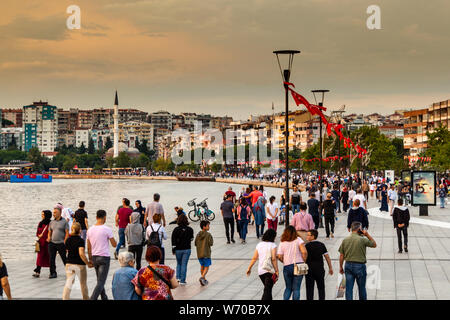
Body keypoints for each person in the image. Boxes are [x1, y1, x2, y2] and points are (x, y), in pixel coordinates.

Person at [339, 221, 377, 300]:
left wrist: (341, 267)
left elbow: (341, 255)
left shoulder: (345, 240)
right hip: (360, 266)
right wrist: (367, 234)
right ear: (359, 228)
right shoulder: (362, 239)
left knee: (349, 288)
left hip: (348, 265)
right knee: (361, 288)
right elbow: (374, 244)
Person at [87, 209, 117, 300]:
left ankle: (104, 297)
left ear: (96, 217)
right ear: (105, 218)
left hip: (95, 257)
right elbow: (114, 244)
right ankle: (93, 298)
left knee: (100, 280)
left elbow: (88, 247)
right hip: (104, 258)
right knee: (101, 282)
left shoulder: (90, 230)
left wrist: (90, 259)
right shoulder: (107, 229)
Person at [246, 229, 279, 300]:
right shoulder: (273, 245)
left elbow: (254, 258)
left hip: (261, 271)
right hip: (269, 270)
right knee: (267, 290)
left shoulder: (259, 245)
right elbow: (273, 259)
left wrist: (249, 268)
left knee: (268, 289)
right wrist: (277, 270)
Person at [277, 226, 308, 300]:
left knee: (288, 288)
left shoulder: (282, 242)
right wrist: (304, 261)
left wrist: (284, 261)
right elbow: (304, 252)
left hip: (287, 266)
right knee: (296, 288)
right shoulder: (298, 240)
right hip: (298, 264)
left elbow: (279, 256)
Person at [63, 222, 91, 300]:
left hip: (69, 263)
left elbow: (66, 250)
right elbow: (81, 253)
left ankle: (65, 298)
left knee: (69, 283)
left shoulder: (68, 239)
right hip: (79, 264)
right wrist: (88, 263)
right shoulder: (80, 240)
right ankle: (86, 298)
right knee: (83, 284)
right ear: (80, 230)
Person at [305, 229, 333, 300]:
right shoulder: (321, 245)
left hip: (309, 270)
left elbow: (303, 257)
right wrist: (330, 268)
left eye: (308, 235)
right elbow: (327, 257)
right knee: (321, 288)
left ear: (313, 236)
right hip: (319, 269)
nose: (306, 237)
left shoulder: (306, 246)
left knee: (309, 289)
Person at [171, 214, 194, 285]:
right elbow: (192, 238)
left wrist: (173, 249)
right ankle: (183, 281)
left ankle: (178, 278)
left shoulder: (176, 229)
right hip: (187, 249)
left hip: (178, 249)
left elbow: (173, 239)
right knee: (184, 264)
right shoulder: (190, 229)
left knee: (179, 263)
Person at [47, 206, 69, 279]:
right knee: (51, 259)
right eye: (53, 212)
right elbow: (50, 231)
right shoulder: (51, 222)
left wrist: (65, 242)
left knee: (64, 258)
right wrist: (49, 237)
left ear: (59, 213)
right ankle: (53, 273)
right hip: (52, 243)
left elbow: (67, 233)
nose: (53, 214)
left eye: (55, 212)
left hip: (61, 243)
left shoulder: (64, 222)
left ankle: (69, 272)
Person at [33, 210, 52, 278]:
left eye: (43, 215)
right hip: (41, 243)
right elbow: (37, 233)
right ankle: (38, 271)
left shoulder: (51, 223)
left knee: (49, 257)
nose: (42, 216)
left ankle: (52, 271)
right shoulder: (40, 223)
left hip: (48, 243)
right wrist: (39, 235)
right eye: (42, 214)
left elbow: (53, 232)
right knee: (39, 257)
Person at [195, 220, 214, 286]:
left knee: (202, 266)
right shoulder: (208, 235)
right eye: (208, 225)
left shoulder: (198, 234)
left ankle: (204, 279)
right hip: (206, 253)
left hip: (199, 253)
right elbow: (211, 243)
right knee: (207, 266)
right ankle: (202, 277)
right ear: (204, 227)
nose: (209, 227)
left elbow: (195, 243)